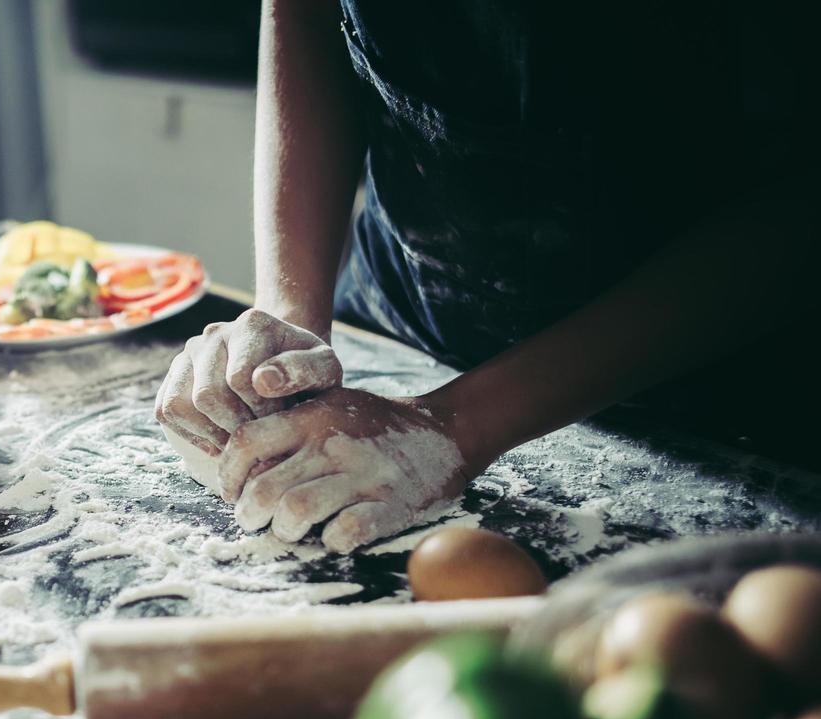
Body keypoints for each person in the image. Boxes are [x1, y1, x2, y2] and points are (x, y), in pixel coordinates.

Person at [156, 0, 815, 553]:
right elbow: (307, 17)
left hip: (699, 377)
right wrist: (290, 320)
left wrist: (454, 428)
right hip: (406, 313)